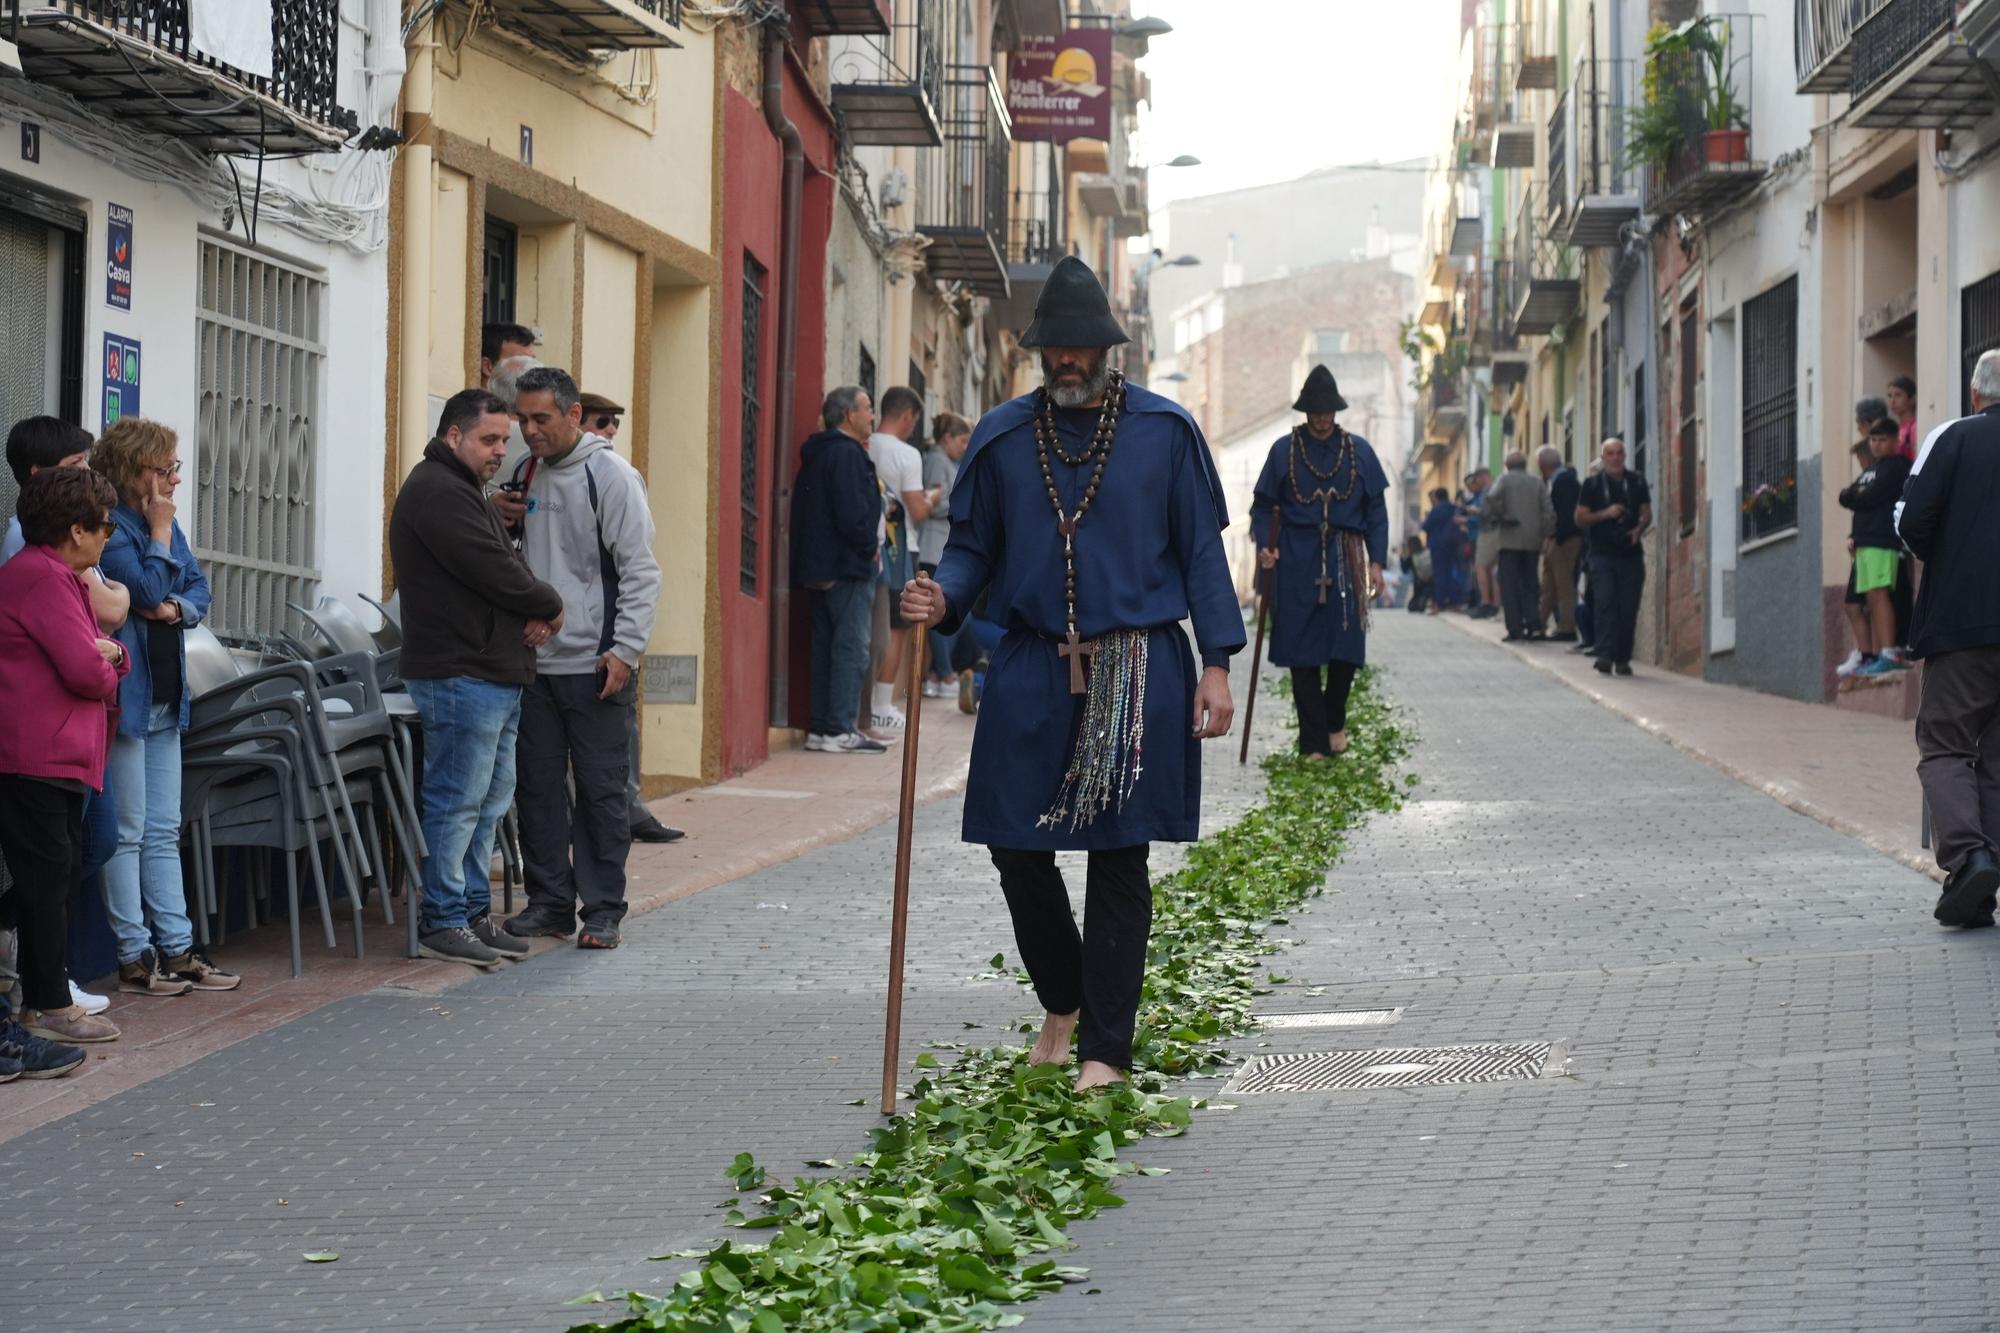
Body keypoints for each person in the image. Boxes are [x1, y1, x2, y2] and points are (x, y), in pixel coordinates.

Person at [901, 256, 1242, 1092]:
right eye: (1054, 346)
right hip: (1030, 664)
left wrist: (1219, 666)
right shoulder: (1004, 436)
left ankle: (1105, 1052)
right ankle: (1065, 995)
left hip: (1140, 668)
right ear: (1039, 350)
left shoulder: (1166, 432)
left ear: (1108, 349)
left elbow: (1202, 554)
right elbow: (973, 552)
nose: (1067, 360)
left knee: (1120, 858)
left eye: (1082, 347)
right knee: (1016, 845)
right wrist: (937, 598)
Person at [391, 389, 567, 968]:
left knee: (488, 802)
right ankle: (442, 918)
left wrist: (537, 606)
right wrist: (548, 603)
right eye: (489, 440)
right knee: (457, 801)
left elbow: (511, 565)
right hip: (459, 671)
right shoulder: (436, 491)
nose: (499, 452)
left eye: (502, 441)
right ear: (453, 437)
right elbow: (495, 572)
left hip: (493, 670)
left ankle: (469, 911)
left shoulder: (467, 492)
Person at [491, 368, 661, 952]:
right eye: (523, 418)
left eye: (541, 419)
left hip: (596, 664)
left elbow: (640, 570)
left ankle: (604, 909)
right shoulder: (524, 471)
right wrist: (500, 514)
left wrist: (625, 651)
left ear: (572, 414)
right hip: (535, 666)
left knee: (599, 791)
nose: (530, 429)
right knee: (536, 788)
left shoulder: (611, 475)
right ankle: (550, 903)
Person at [93, 420, 239, 996]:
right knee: (129, 830)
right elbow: (145, 592)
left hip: (165, 697)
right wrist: (159, 548)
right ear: (136, 473)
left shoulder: (164, 525)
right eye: (167, 468)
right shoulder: (114, 530)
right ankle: (134, 953)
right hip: (128, 700)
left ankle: (178, 950)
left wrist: (176, 610)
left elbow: (196, 592)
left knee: (162, 828)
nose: (176, 479)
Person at [0, 466, 128, 1064]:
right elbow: (84, 668)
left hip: (57, 755)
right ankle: (48, 1004)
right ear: (75, 530)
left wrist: (114, 655)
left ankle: (36, 994)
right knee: (46, 882)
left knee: (53, 876)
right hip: (36, 755)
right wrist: (111, 661)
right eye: (103, 527)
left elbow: (101, 652)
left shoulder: (58, 576)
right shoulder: (42, 578)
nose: (108, 538)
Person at [1898, 349, 2000, 928]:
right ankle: (1984, 876)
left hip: (1962, 624)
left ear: (1974, 392)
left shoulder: (1953, 437)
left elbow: (1911, 523)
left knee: (1946, 743)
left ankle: (1968, 859)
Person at [1250, 366, 1388, 759]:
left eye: (1328, 411)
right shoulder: (1283, 451)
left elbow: (1376, 510)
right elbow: (1262, 507)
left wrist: (1376, 561)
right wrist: (1266, 546)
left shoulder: (1359, 451)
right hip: (1296, 556)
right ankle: (1312, 744)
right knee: (1302, 653)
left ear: (1336, 411)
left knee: (1346, 649)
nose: (1322, 418)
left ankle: (1333, 720)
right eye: (1316, 411)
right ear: (1306, 412)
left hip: (1346, 555)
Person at [792, 387, 889, 755]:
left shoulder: (820, 453)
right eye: (867, 409)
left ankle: (822, 728)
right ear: (849, 415)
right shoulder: (847, 455)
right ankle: (838, 728)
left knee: (826, 646)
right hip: (847, 567)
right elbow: (853, 514)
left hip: (821, 567)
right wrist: (869, 550)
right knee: (850, 648)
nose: (871, 417)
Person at [865, 386, 938, 731]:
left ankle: (865, 705)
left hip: (870, 543)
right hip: (899, 546)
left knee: (869, 624)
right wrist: (934, 498)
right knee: (898, 627)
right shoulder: (907, 455)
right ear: (908, 415)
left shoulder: (865, 444)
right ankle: (881, 703)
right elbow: (917, 510)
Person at [1838, 418, 1913, 680]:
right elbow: (1844, 496)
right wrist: (1857, 493)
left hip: (1882, 540)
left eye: (1882, 440)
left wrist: (1859, 494)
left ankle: (1889, 653)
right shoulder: (1873, 469)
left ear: (1894, 440)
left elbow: (1869, 496)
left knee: (1879, 595)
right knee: (1869, 597)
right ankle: (1876, 654)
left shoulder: (1896, 467)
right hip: (1864, 542)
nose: (1877, 445)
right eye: (1873, 440)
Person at [1573, 437, 1651, 677]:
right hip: (1601, 554)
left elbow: (1646, 513)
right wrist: (1605, 514)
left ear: (1625, 456)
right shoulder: (1592, 484)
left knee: (1628, 608)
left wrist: (1638, 530)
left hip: (1630, 554)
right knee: (1605, 604)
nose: (1615, 458)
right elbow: (1580, 517)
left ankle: (1623, 658)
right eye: (1610, 453)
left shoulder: (1637, 481)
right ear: (1603, 457)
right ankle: (1605, 655)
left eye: (1619, 453)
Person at [919, 412, 973, 703]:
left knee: (956, 614)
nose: (965, 447)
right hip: (932, 545)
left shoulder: (949, 461)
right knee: (940, 612)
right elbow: (935, 500)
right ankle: (945, 672)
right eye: (962, 441)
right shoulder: (938, 460)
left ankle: (940, 674)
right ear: (948, 438)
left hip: (941, 545)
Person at [1484, 450, 1556, 642]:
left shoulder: (1504, 480)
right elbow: (1548, 510)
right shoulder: (1537, 482)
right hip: (1532, 541)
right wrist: (1547, 534)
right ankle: (1533, 624)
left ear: (1507, 466)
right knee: (1530, 583)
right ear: (1525, 465)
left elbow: (1491, 497)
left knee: (1510, 585)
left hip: (1509, 540)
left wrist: (1500, 515)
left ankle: (1515, 628)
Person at [1536, 445, 1582, 641]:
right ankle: (1538, 624)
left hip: (1565, 540)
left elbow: (1565, 514)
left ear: (1542, 465)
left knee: (1563, 585)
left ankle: (1566, 628)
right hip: (1557, 540)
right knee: (1549, 584)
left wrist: (1556, 538)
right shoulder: (1559, 480)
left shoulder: (1564, 481)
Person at [1420, 488, 1462, 614]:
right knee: (1451, 573)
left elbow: (1425, 526)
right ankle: (1454, 601)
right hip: (1453, 545)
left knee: (1439, 575)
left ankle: (1440, 602)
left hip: (1438, 546)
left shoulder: (1436, 510)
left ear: (1437, 497)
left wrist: (1427, 517)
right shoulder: (1453, 508)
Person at [1464, 468, 1499, 619]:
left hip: (1488, 532)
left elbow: (1486, 512)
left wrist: (1473, 511)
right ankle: (1494, 604)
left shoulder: (1488, 491)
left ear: (1483, 477)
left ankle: (1487, 602)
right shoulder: (1497, 487)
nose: (1475, 483)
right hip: (1496, 532)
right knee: (1492, 571)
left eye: (1476, 479)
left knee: (1482, 568)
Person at [1886, 375, 1919, 461]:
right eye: (1890, 396)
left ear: (1912, 399)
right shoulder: (1895, 428)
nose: (1892, 401)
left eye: (1898, 395)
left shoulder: (1915, 427)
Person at [1400, 534, 1432, 613]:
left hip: (1418, 585)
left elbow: (1404, 570)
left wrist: (1401, 557)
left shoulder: (1411, 557)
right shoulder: (1426, 553)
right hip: (1430, 583)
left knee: (1411, 607)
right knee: (1420, 601)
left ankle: (1422, 602)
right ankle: (1425, 600)